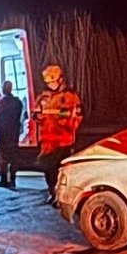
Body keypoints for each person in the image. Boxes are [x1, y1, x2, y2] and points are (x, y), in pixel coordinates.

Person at [33, 63, 83, 202]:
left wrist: (63, 122)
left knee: (60, 170)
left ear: (60, 80)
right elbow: (35, 113)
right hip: (47, 142)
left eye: (53, 81)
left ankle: (61, 195)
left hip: (63, 140)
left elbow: (77, 116)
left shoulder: (70, 97)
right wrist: (39, 116)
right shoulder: (43, 97)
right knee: (47, 168)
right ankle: (53, 192)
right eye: (49, 82)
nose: (51, 84)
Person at [0, 79, 25, 189]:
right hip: (14, 132)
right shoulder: (18, 102)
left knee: (3, 157)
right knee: (13, 157)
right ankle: (13, 181)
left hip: (4, 132)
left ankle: (4, 180)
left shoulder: (2, 101)